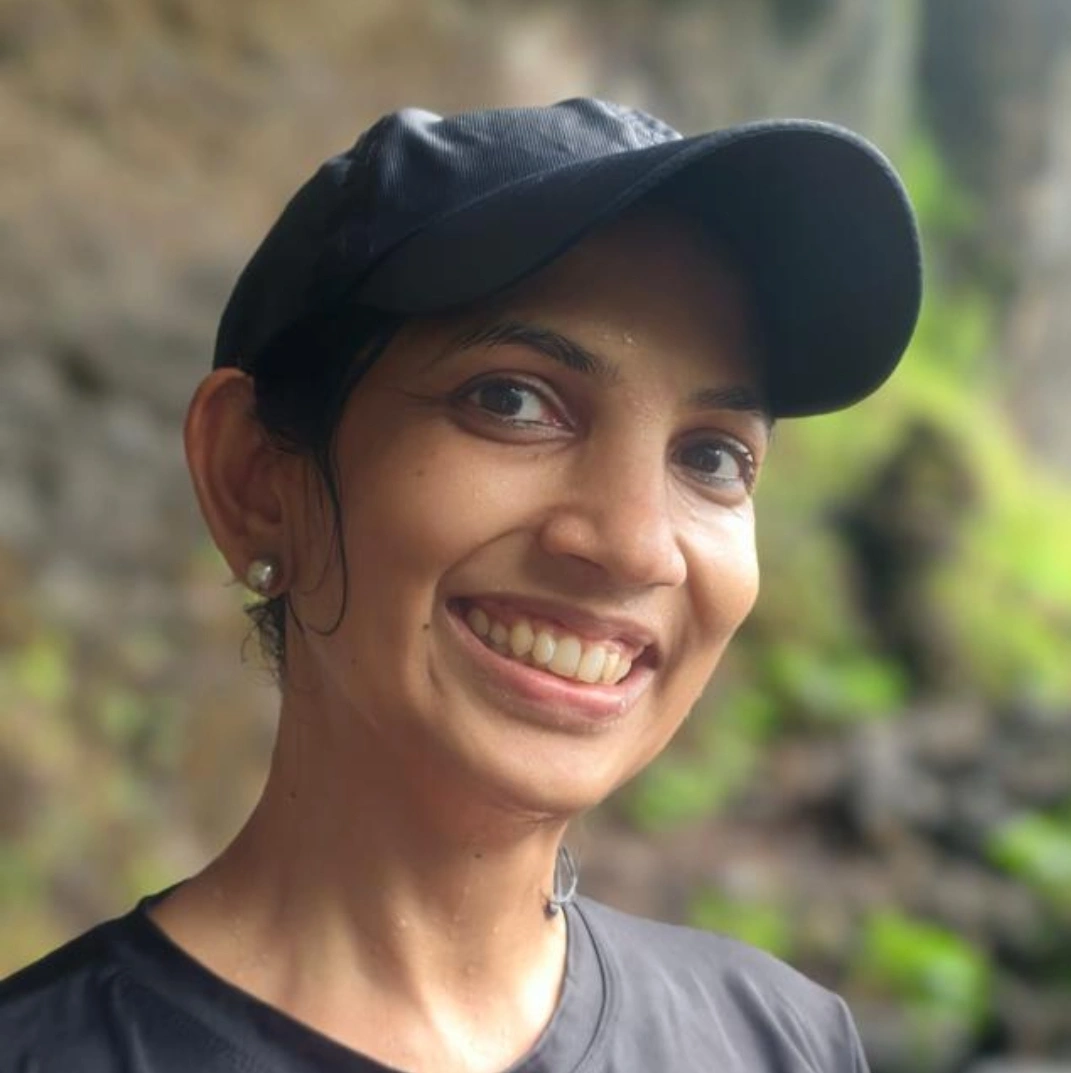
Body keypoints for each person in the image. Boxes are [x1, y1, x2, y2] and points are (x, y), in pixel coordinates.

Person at [0, 98, 920, 1072]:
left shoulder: (780, 1040)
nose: (635, 545)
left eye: (713, 456)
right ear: (256, 478)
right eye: (512, 399)